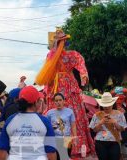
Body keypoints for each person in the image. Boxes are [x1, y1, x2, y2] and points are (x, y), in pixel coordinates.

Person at [35, 28, 94, 157]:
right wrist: (46, 88)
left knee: (73, 113)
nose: (58, 44)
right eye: (57, 42)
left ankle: (75, 146)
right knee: (54, 115)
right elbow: (47, 72)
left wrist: (83, 74)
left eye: (61, 41)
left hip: (68, 85)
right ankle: (54, 147)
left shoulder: (72, 54)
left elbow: (80, 62)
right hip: (54, 86)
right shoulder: (50, 57)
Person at [0, 86, 57, 160]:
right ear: (36, 102)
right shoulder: (44, 121)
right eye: (40, 101)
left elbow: (2, 150)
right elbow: (51, 152)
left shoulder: (10, 120)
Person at [89, 92, 127, 160]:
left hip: (114, 141)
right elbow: (94, 130)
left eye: (108, 105)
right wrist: (101, 122)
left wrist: (115, 122)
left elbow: (122, 129)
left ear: (112, 104)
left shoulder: (119, 114)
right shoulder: (97, 115)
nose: (106, 107)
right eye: (104, 105)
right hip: (100, 142)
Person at [46, 93, 76, 159]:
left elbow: (73, 126)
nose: (58, 102)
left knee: (65, 157)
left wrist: (74, 138)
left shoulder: (70, 112)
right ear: (54, 102)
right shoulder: (49, 113)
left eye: (60, 100)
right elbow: (47, 127)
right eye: (56, 101)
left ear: (64, 101)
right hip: (54, 139)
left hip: (67, 139)